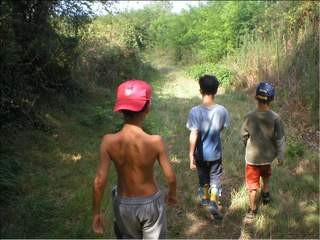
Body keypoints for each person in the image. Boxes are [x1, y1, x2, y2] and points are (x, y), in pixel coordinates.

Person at [92, 79, 177, 238]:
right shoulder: (155, 142)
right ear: (148, 107)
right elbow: (170, 177)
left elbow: (99, 181)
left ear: (121, 109)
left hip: (123, 204)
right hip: (150, 203)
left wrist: (96, 213)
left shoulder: (108, 141)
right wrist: (172, 194)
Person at [186, 74, 229, 219]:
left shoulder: (194, 111)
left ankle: (205, 199)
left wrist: (191, 154)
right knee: (215, 178)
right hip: (216, 153)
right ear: (216, 91)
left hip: (200, 154)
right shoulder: (222, 110)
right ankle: (213, 202)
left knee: (203, 178)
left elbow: (194, 134)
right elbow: (221, 127)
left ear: (200, 90)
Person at [241, 82, 285, 220]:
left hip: (252, 159)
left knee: (252, 186)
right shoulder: (276, 118)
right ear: (271, 99)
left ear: (256, 97)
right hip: (267, 158)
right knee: (266, 175)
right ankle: (266, 195)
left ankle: (252, 210)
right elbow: (280, 139)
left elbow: (243, 135)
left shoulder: (249, 116)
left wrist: (246, 145)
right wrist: (280, 156)